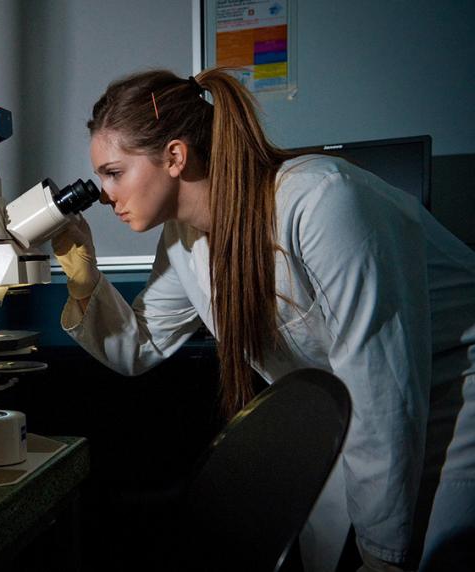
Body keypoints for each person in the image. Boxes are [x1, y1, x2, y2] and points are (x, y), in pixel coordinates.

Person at [53, 67, 475, 571]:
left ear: (174, 156)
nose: (102, 193)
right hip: (349, 410)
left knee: (412, 554)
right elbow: (138, 347)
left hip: (452, 390)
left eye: (114, 172)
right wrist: (84, 280)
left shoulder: (319, 201)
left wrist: (384, 557)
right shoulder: (186, 241)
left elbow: (380, 380)